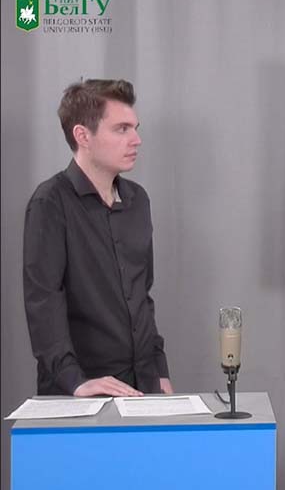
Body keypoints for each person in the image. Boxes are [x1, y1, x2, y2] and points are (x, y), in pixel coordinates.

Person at [23, 79, 173, 397]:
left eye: (135, 128)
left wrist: (159, 370)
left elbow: (141, 295)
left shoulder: (137, 200)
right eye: (122, 129)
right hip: (80, 392)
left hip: (143, 386)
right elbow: (43, 301)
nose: (136, 140)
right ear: (83, 136)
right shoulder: (50, 202)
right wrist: (75, 382)